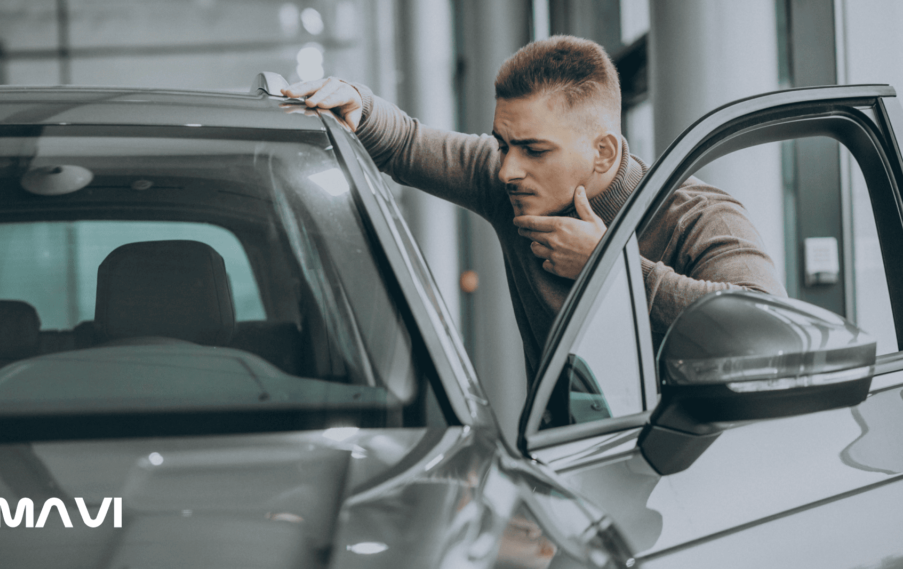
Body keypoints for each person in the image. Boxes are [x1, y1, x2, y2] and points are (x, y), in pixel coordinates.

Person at [283, 35, 785, 382]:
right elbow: (406, 143)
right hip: (566, 458)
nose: (506, 170)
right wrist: (357, 102)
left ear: (604, 152)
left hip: (694, 480)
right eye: (503, 144)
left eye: (534, 150)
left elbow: (768, 330)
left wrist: (610, 269)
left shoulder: (697, 215)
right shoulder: (510, 181)